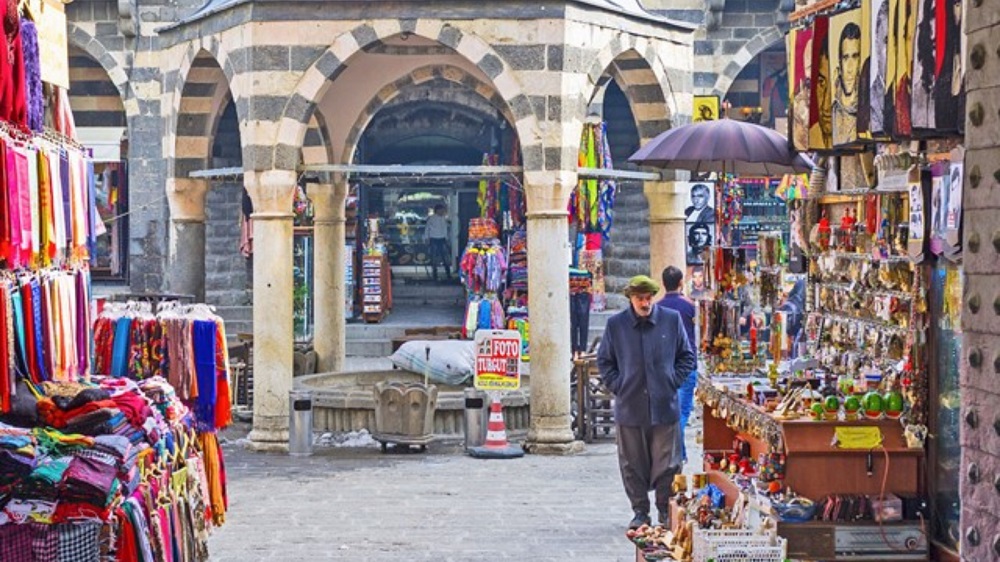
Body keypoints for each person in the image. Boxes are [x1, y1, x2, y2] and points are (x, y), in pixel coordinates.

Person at [598, 275, 696, 530]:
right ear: (631, 299)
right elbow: (605, 362)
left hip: (665, 405)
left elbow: (687, 356)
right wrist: (619, 386)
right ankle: (640, 511)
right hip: (630, 407)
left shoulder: (671, 320)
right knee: (632, 463)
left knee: (669, 463)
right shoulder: (616, 325)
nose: (645, 303)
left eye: (648, 298)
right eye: (640, 298)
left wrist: (671, 381)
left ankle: (664, 509)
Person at [657, 267, 698, 463]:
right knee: (681, 413)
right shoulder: (689, 306)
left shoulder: (657, 308)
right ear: (681, 282)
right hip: (687, 364)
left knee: (671, 411)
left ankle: (674, 452)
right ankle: (678, 453)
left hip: (665, 366)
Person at [832, 22, 861, 146]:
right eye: (845, 58)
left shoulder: (867, 110)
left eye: (854, 57)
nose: (849, 68)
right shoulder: (832, 114)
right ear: (840, 62)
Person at [424, 204, 451, 281]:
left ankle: (448, 274)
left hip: (442, 239)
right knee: (434, 257)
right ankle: (434, 275)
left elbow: (445, 229)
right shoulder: (431, 218)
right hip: (433, 239)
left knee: (445, 257)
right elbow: (427, 229)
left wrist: (447, 239)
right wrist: (426, 238)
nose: (442, 211)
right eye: (441, 210)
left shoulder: (443, 218)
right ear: (437, 210)